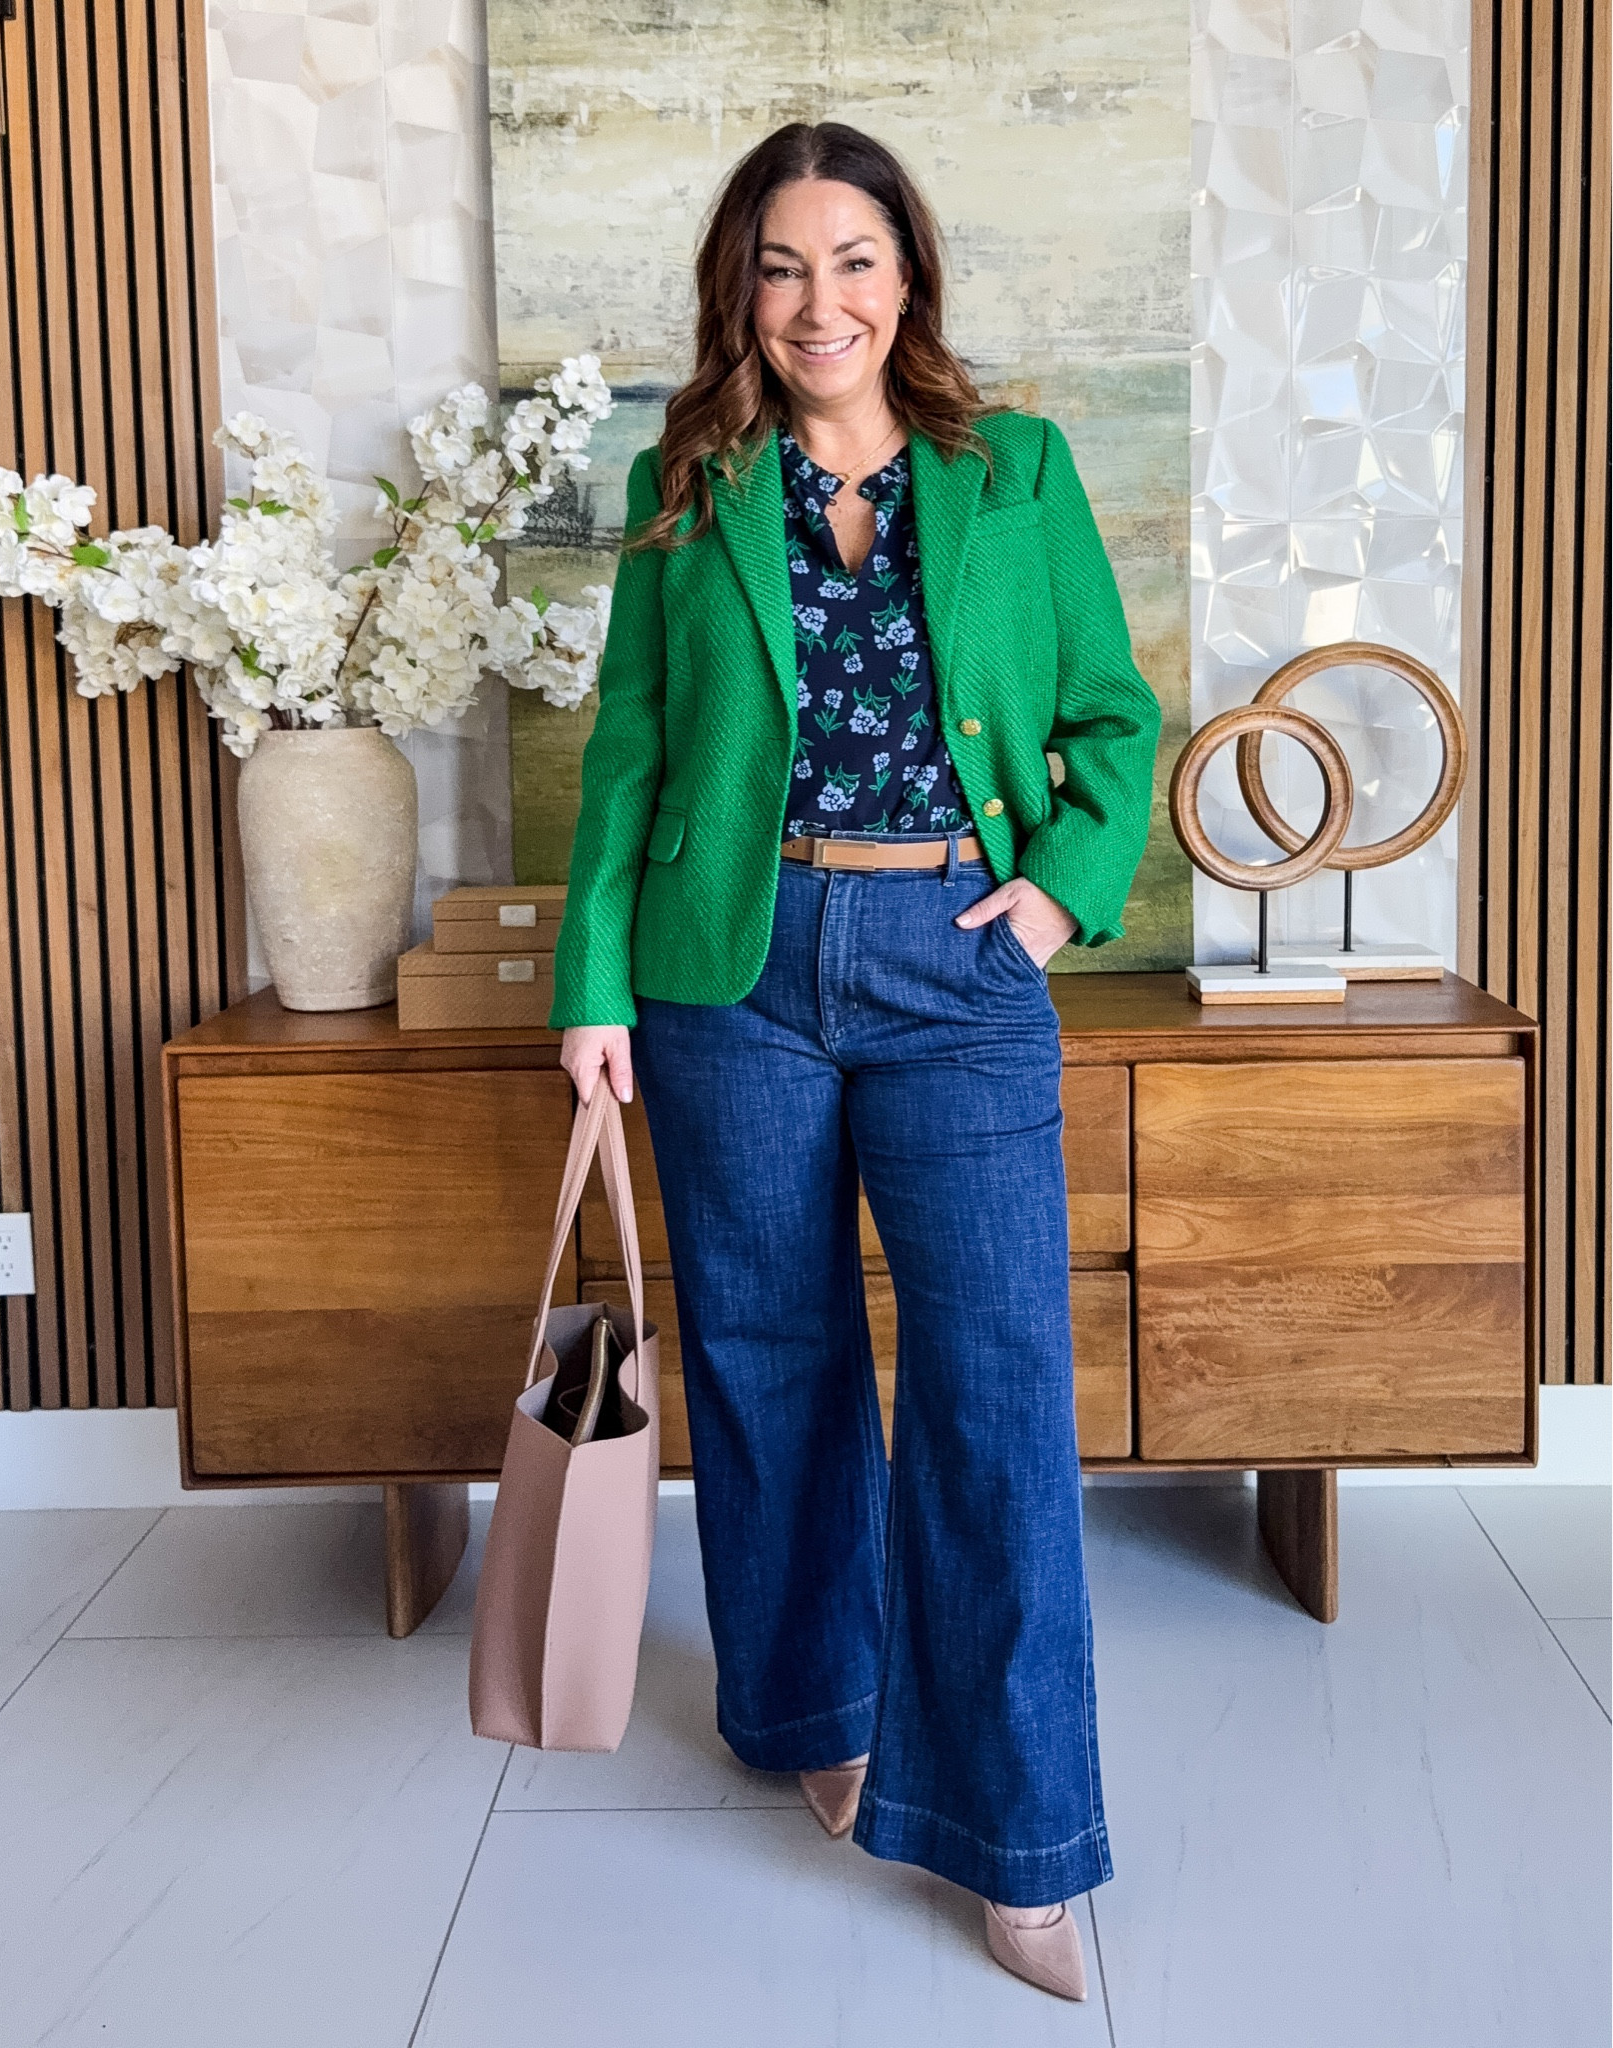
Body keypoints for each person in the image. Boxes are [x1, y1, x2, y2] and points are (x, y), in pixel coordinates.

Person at [551, 119, 1160, 2000]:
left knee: (992, 1383)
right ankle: (816, 1704)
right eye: (785, 266)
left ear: (911, 279)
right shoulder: (691, 478)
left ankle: (1023, 1839)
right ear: (744, 287)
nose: (822, 301)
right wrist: (589, 985)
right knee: (770, 1355)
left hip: (954, 960)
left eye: (857, 261)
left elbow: (1114, 720)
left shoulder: (1018, 471)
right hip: (728, 971)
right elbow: (632, 751)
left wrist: (1060, 896)